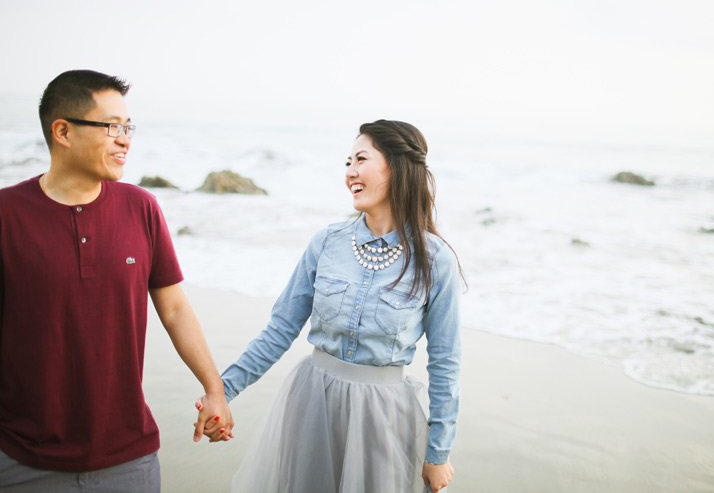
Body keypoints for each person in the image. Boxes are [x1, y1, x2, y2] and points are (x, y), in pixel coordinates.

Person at [0, 70, 233, 492]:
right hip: (22, 460)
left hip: (130, 459)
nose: (125, 139)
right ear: (63, 132)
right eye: (111, 127)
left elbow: (175, 308)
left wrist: (214, 389)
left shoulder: (141, 207)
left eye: (128, 128)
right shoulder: (6, 215)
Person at [201, 120, 462, 492]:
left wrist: (438, 453)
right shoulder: (327, 243)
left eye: (361, 159)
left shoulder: (436, 260)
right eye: (347, 162)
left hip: (382, 419)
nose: (350, 172)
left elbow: (445, 364)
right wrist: (222, 393)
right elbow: (279, 330)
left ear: (397, 167)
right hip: (313, 406)